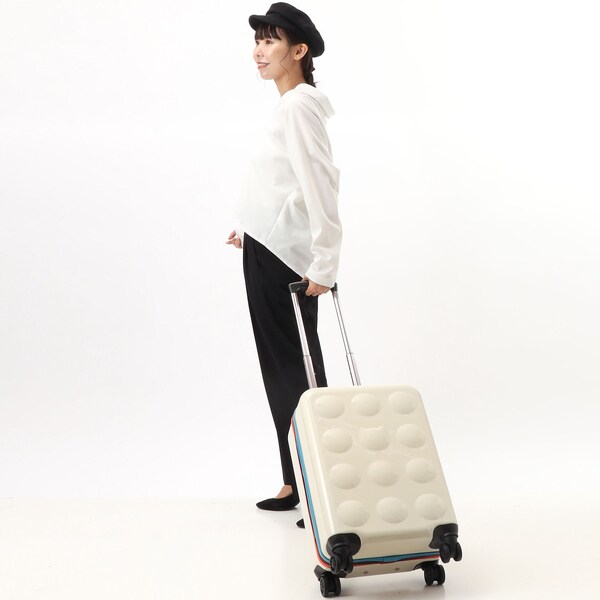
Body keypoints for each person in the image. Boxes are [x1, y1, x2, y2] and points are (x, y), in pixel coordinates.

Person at [226, 2, 342, 513]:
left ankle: (322, 487)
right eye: (258, 40)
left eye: (271, 40)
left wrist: (325, 264)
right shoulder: (289, 106)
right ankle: (298, 480)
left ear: (299, 51)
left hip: (285, 261)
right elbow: (283, 182)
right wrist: (250, 227)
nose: (259, 50)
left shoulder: (298, 107)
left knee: (298, 373)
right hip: (267, 247)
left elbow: (321, 184)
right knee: (283, 370)